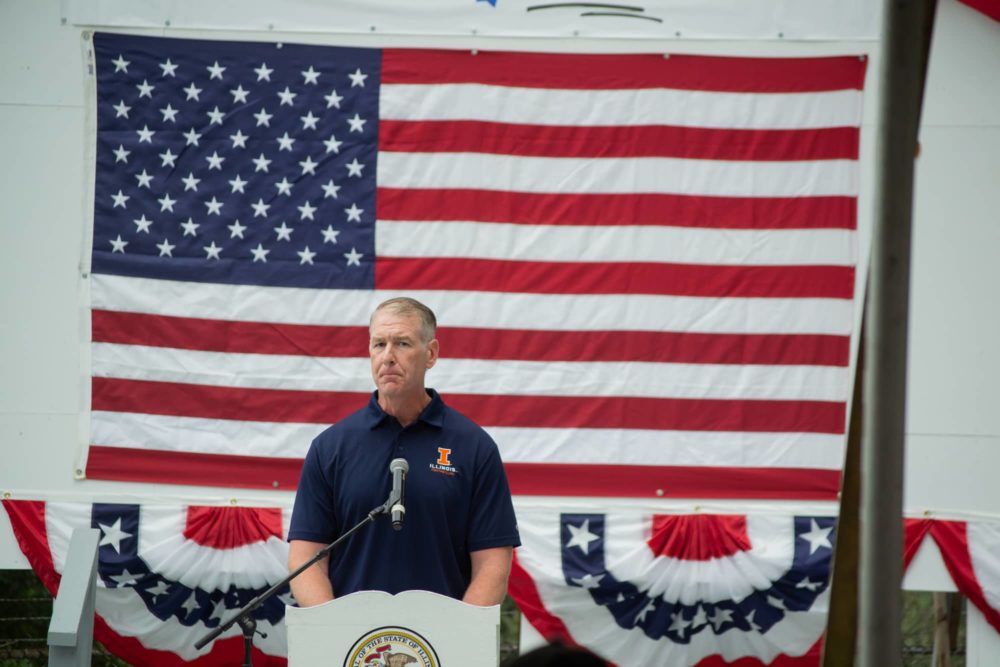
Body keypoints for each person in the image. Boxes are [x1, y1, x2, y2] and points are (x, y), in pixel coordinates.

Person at [287, 297, 520, 607]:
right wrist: (335, 633)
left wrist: (457, 639)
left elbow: (493, 565)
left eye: (402, 344)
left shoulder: (474, 447)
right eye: (379, 344)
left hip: (442, 645)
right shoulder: (331, 447)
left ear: (431, 354)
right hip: (354, 646)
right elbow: (306, 559)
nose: (388, 357)